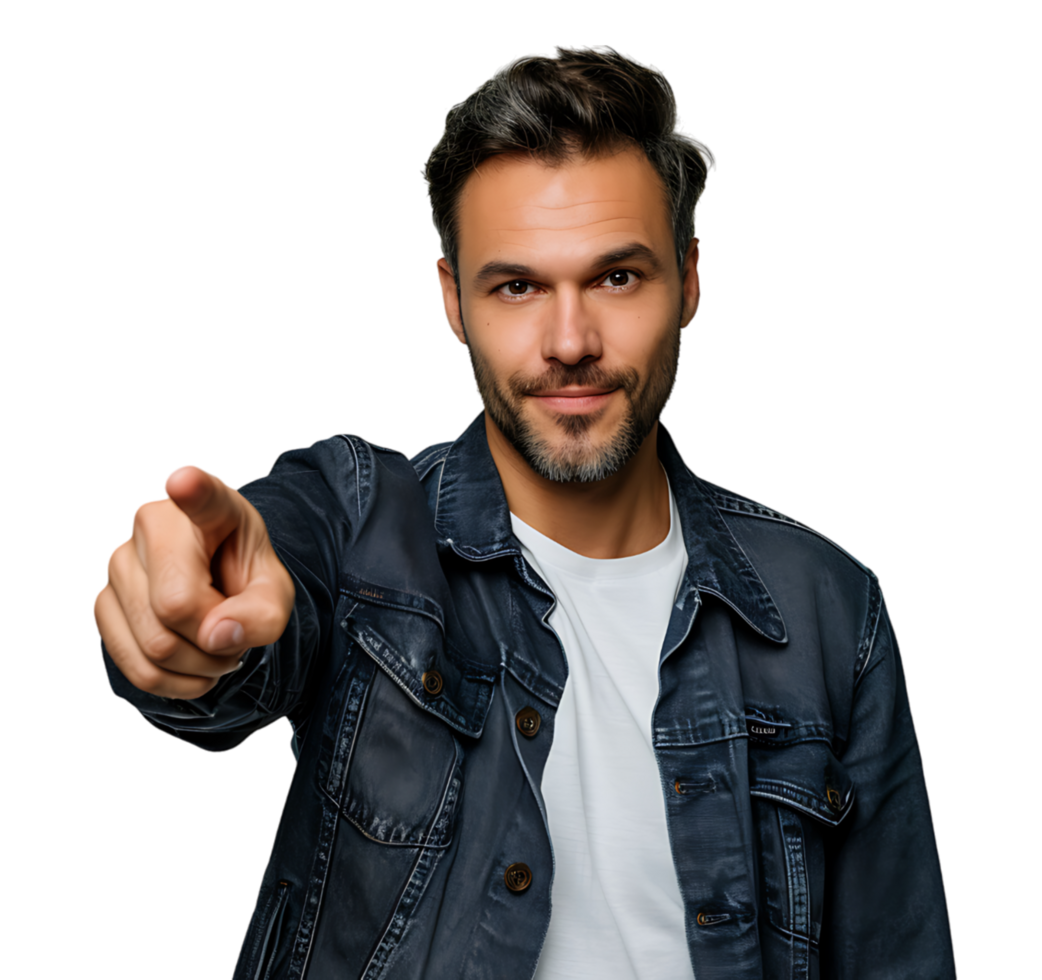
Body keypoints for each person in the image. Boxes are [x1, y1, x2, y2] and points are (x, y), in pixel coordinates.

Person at [92, 43, 957, 980]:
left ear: (693, 280)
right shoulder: (362, 524)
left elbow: (898, 960)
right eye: (517, 286)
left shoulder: (829, 604)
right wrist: (190, 629)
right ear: (450, 301)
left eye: (617, 277)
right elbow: (255, 598)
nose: (571, 342)